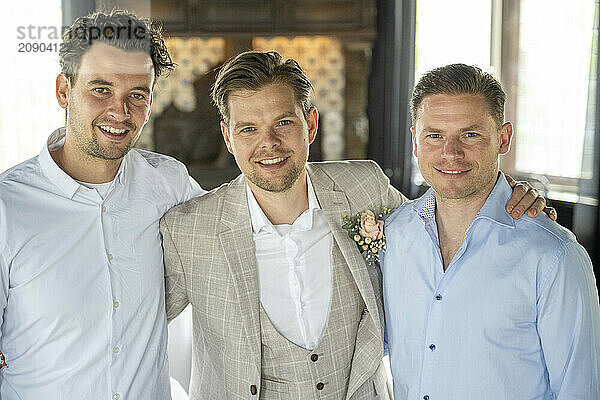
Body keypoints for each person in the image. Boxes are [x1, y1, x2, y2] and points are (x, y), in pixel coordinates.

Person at [159, 51, 551, 399]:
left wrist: (510, 195)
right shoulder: (189, 230)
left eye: (283, 123)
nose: (269, 143)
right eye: (248, 129)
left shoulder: (364, 187)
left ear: (310, 124)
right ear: (227, 137)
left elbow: (444, 220)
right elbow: (129, 324)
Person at [0, 10, 204, 399]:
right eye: (101, 89)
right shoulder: (6, 206)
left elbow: (238, 233)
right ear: (64, 90)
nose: (120, 112)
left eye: (137, 96)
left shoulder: (170, 184)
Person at [383, 63, 600, 399]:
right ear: (415, 140)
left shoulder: (553, 256)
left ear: (503, 138)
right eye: (434, 135)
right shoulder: (392, 235)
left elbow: (580, 389)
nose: (450, 152)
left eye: (470, 134)